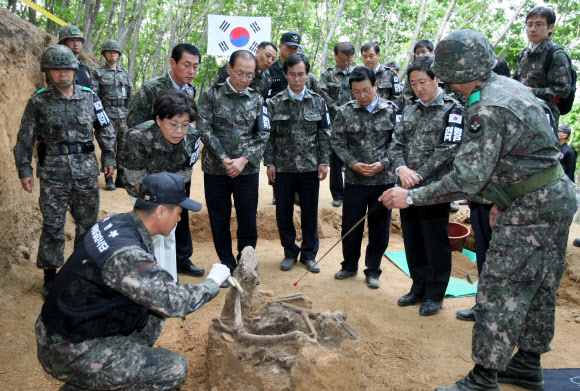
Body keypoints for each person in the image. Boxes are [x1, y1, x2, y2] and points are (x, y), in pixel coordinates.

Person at [380, 30, 578, 391]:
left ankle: (484, 377)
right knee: (541, 283)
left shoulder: (486, 106)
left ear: (457, 71)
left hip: (532, 206)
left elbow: (467, 178)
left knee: (498, 288)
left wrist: (411, 197)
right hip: (550, 197)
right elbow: (524, 156)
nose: (446, 82)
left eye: (445, 74)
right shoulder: (509, 87)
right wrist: (507, 198)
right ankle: (527, 364)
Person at [36, 171, 231, 391]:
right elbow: (176, 303)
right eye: (178, 212)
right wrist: (213, 282)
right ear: (160, 212)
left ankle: (96, 378)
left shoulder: (118, 222)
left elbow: (154, 288)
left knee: (151, 315)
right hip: (65, 347)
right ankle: (88, 379)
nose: (179, 219)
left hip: (68, 327)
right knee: (173, 368)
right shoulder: (127, 254)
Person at [13, 45, 116, 299]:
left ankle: (82, 273)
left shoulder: (90, 97)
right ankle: (50, 277)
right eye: (56, 69)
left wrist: (110, 156)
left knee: (87, 225)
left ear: (74, 69)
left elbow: (104, 128)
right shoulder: (38, 101)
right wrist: (24, 168)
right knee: (53, 226)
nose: (62, 74)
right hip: (53, 174)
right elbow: (24, 137)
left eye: (67, 68)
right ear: (48, 72)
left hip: (85, 172)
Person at [388, 55, 463, 315]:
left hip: (436, 189)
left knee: (435, 242)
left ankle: (435, 294)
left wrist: (418, 174)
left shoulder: (453, 109)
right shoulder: (408, 109)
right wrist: (402, 169)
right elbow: (395, 144)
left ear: (436, 79)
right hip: (406, 187)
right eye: (413, 83)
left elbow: (449, 148)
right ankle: (417, 287)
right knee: (413, 239)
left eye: (423, 81)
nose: (419, 87)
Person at [127, 43, 204, 278]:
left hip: (171, 183)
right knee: (147, 232)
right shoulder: (141, 131)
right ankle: (145, 281)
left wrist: (171, 189)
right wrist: (150, 192)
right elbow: (134, 167)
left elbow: (187, 166)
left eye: (195, 66)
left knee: (170, 233)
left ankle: (168, 279)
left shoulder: (190, 133)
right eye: (186, 65)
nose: (178, 130)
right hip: (144, 181)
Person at [197, 50, 271, 286]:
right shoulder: (211, 95)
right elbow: (204, 127)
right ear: (229, 69)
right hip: (216, 170)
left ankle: (246, 265)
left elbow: (263, 133)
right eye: (240, 73)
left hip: (246, 171)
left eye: (250, 75)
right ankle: (227, 266)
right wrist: (224, 158)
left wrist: (242, 160)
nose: (244, 79)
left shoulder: (257, 99)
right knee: (219, 219)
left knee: (247, 219)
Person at [331, 66, 398, 289]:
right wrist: (353, 163)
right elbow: (338, 141)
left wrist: (384, 163)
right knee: (350, 226)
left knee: (379, 229)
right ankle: (349, 266)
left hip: (383, 180)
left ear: (376, 85)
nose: (361, 95)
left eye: (366, 90)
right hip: (355, 179)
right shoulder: (345, 112)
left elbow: (398, 143)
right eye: (356, 91)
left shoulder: (391, 110)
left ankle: (373, 270)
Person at [264, 54, 331, 274]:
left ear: (307, 75)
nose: (296, 79)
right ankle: (290, 252)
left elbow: (324, 133)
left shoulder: (318, 101)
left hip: (310, 168)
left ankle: (309, 254)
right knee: (283, 213)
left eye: (301, 74)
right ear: (285, 75)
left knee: (310, 213)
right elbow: (269, 136)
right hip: (283, 168)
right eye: (292, 74)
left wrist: (323, 161)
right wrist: (270, 163)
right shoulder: (274, 102)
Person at [513, 6, 572, 128]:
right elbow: (516, 81)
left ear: (550, 27)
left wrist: (532, 91)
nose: (533, 29)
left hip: (544, 119)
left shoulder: (556, 54)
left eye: (539, 25)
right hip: (521, 115)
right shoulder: (524, 53)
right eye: (529, 25)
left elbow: (563, 90)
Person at [92, 40, 133, 191]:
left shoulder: (125, 74)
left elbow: (130, 96)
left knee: (123, 146)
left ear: (119, 55)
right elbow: (94, 95)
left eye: (115, 52)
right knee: (108, 147)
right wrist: (97, 116)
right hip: (106, 115)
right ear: (104, 54)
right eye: (109, 52)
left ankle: (120, 177)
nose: (112, 54)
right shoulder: (98, 73)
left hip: (123, 115)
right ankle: (109, 178)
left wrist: (130, 115)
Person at [127, 43, 200, 129]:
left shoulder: (190, 90)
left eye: (195, 67)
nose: (191, 71)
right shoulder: (150, 88)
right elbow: (133, 123)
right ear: (173, 63)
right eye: (186, 66)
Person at [319, 42, 356, 208]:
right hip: (334, 124)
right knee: (334, 160)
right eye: (342, 60)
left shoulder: (357, 73)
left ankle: (352, 192)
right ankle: (338, 195)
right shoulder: (327, 75)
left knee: (353, 158)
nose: (345, 63)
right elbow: (322, 93)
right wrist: (337, 109)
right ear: (335, 56)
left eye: (349, 60)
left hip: (356, 123)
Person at [212, 41, 277, 98]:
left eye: (273, 59)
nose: (269, 61)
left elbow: (261, 102)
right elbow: (214, 89)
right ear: (257, 52)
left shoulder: (266, 79)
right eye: (268, 55)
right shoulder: (235, 65)